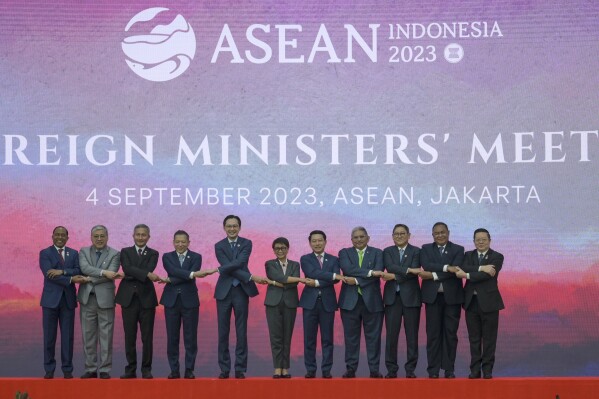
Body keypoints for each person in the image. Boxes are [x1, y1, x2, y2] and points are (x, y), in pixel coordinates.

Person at [214, 215, 268, 379]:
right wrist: (249, 276)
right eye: (229, 226)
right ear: (224, 227)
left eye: (235, 226)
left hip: (241, 291)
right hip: (224, 291)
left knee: (241, 331)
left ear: (239, 227)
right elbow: (229, 267)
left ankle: (240, 368)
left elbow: (239, 263)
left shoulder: (246, 243)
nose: (232, 229)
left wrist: (221, 269)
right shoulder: (219, 245)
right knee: (223, 331)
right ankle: (224, 368)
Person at [160, 230, 217, 379]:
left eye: (183, 242)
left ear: (188, 243)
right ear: (173, 242)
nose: (180, 244)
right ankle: (174, 370)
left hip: (190, 301)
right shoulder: (167, 256)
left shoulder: (196, 256)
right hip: (171, 301)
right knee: (172, 337)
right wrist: (191, 275)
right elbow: (173, 271)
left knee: (190, 337)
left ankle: (189, 369)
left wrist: (171, 279)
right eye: (177, 242)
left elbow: (176, 275)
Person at [40, 226, 89, 379]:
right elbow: (48, 274)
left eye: (63, 235)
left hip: (68, 301)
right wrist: (70, 279)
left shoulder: (74, 253)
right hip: (50, 301)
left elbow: (78, 270)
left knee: (68, 337)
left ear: (67, 237)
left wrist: (63, 272)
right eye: (57, 234)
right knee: (49, 337)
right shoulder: (45, 253)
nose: (60, 237)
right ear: (52, 236)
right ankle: (49, 369)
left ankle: (67, 369)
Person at [456, 228, 504, 379]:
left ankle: (487, 369)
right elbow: (463, 268)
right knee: (474, 338)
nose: (481, 242)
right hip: (471, 302)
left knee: (489, 338)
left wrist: (468, 275)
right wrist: (481, 268)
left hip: (490, 303)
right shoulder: (467, 255)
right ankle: (475, 370)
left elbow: (487, 276)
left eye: (484, 239)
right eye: (478, 239)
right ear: (474, 241)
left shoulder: (497, 256)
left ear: (490, 240)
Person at [115, 224, 161, 379]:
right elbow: (127, 268)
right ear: (133, 235)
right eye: (138, 234)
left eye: (144, 235)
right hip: (128, 299)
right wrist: (145, 274)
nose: (140, 237)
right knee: (130, 336)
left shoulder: (154, 253)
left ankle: (146, 369)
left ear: (148, 236)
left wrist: (132, 273)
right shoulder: (125, 251)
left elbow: (146, 268)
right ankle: (131, 369)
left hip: (147, 299)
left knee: (147, 337)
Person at [419, 222, 464, 379]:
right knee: (433, 334)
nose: (440, 235)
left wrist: (433, 275)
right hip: (432, 298)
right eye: (436, 233)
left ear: (448, 232)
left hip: (453, 298)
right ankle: (433, 369)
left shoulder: (458, 249)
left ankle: (449, 369)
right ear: (432, 235)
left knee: (450, 334)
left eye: (442, 232)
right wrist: (446, 268)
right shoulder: (425, 249)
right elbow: (426, 265)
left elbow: (456, 270)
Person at [338, 226, 384, 378]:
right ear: (351, 240)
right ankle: (350, 369)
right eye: (355, 237)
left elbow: (378, 273)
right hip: (349, 302)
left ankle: (374, 370)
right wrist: (370, 273)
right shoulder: (344, 252)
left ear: (368, 238)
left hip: (373, 302)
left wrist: (357, 280)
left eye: (361, 237)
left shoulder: (378, 253)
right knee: (351, 338)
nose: (358, 239)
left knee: (374, 338)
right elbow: (347, 269)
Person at [78, 225, 122, 379]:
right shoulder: (83, 251)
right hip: (87, 299)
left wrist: (89, 277)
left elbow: (112, 273)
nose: (99, 239)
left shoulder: (115, 254)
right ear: (91, 237)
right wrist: (103, 272)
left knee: (106, 336)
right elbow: (84, 268)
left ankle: (105, 369)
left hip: (106, 300)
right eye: (96, 236)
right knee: (88, 335)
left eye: (102, 236)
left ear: (107, 237)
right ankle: (90, 368)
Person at [299, 230, 343, 379]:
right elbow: (311, 273)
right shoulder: (305, 258)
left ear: (325, 241)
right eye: (314, 241)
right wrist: (331, 276)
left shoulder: (334, 259)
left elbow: (337, 279)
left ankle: (326, 370)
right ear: (310, 243)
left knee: (327, 339)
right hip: (309, 303)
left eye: (320, 240)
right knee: (309, 339)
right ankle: (310, 369)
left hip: (328, 303)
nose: (317, 243)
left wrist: (318, 282)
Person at [381, 224, 422, 379]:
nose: (399, 236)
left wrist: (395, 276)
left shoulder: (416, 251)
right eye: (396, 234)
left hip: (411, 298)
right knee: (391, 336)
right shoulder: (387, 251)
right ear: (392, 236)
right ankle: (391, 369)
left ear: (409, 235)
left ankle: (410, 369)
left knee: (412, 336)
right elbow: (390, 267)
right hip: (392, 299)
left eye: (402, 233)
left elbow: (415, 271)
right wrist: (407, 270)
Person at [264, 237, 308, 379]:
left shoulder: (295, 264)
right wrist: (299, 279)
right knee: (275, 336)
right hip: (273, 303)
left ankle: (285, 368)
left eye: (283, 248)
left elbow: (288, 283)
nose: (280, 251)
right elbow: (276, 276)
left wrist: (276, 282)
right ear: (273, 250)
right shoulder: (269, 263)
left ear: (288, 249)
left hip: (290, 302)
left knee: (287, 336)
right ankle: (277, 367)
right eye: (277, 248)